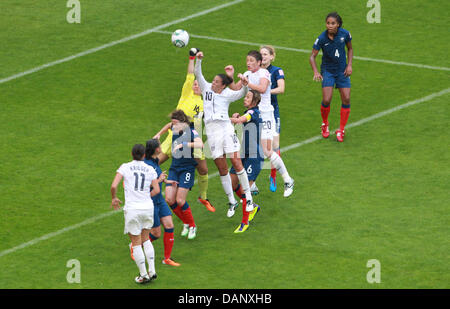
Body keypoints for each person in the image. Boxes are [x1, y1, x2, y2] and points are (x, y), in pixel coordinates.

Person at [194, 50, 256, 217]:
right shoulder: (206, 88)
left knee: (235, 161)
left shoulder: (227, 94)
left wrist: (244, 83)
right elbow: (197, 73)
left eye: (216, 82)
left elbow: (241, 93)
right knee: (221, 167)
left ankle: (248, 197)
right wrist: (198, 60)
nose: (212, 83)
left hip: (226, 129)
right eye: (213, 80)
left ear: (222, 85)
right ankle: (231, 201)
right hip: (212, 132)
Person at [225, 50, 294, 198]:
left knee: (267, 150)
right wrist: (230, 77)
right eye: (247, 60)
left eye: (251, 60)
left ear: (259, 62)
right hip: (253, 115)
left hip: (265, 116)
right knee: (249, 148)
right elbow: (236, 88)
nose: (248, 63)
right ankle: (252, 181)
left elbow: (263, 89)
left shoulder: (264, 73)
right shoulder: (248, 74)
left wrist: (247, 83)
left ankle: (287, 180)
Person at [153, 48, 215, 212]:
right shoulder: (186, 94)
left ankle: (203, 197)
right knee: (156, 161)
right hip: (173, 137)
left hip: (191, 137)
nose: (195, 84)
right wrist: (192, 58)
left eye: (198, 84)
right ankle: (146, 183)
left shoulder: (204, 104)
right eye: (194, 83)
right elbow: (190, 74)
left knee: (203, 169)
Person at [110, 144, 160, 284]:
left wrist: (114, 198)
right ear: (144, 155)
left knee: (136, 242)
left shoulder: (125, 167)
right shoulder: (150, 169)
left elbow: (114, 185)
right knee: (146, 239)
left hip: (133, 209)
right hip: (147, 208)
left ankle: (143, 275)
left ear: (132, 154)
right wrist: (145, 197)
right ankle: (152, 270)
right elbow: (156, 189)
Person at [309, 11, 353, 142]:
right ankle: (325, 124)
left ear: (338, 24)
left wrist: (349, 65)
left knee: (346, 98)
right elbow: (312, 56)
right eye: (328, 23)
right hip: (328, 71)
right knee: (327, 100)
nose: (330, 25)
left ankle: (341, 129)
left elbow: (350, 49)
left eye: (333, 23)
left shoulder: (345, 34)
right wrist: (316, 72)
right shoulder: (321, 38)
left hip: (342, 71)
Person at [164, 110, 204, 240]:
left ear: (183, 123)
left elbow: (200, 144)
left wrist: (184, 144)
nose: (173, 127)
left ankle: (192, 225)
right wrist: (158, 135)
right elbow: (168, 125)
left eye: (175, 124)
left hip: (187, 169)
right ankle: (186, 222)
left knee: (180, 200)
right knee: (169, 199)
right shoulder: (175, 126)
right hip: (174, 168)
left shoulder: (191, 131)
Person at [230, 90, 263, 233]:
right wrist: (236, 119)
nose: (245, 98)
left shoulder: (253, 113)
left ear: (254, 102)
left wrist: (231, 119)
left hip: (254, 157)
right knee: (232, 183)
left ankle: (245, 222)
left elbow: (243, 119)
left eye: (248, 97)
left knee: (244, 189)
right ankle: (252, 205)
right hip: (243, 154)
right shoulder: (247, 112)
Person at [144, 139, 181, 267]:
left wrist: (167, 181)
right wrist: (159, 180)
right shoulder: (146, 165)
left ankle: (167, 259)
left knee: (169, 225)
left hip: (159, 200)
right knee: (156, 233)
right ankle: (135, 245)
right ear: (157, 150)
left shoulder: (155, 161)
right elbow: (143, 184)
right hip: (151, 201)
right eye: (159, 146)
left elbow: (158, 177)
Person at [259, 45, 285, 193]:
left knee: (274, 145)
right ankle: (251, 180)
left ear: (272, 57)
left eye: (266, 54)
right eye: (261, 54)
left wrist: (265, 91)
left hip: (272, 112)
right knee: (252, 145)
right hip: (257, 111)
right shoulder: (254, 71)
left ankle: (273, 175)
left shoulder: (276, 71)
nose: (263, 57)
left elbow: (281, 89)